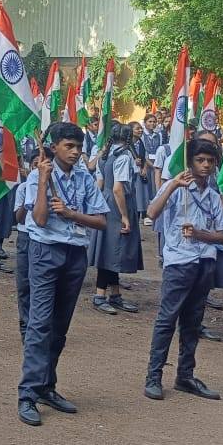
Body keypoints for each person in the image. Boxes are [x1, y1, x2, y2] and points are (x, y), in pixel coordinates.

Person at [17, 121, 108, 427]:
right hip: (45, 251)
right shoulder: (37, 176)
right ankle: (27, 394)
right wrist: (44, 180)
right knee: (40, 323)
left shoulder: (85, 177)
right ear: (53, 147)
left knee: (60, 326)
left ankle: (47, 386)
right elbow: (40, 219)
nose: (75, 152)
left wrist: (71, 214)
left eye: (79, 147)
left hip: (75, 254)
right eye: (69, 146)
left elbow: (101, 221)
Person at [143, 137, 223, 401]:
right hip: (179, 262)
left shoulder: (213, 196)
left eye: (210, 161)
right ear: (189, 162)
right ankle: (153, 376)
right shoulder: (175, 188)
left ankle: (185, 375)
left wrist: (201, 234)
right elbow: (151, 212)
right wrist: (172, 186)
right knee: (167, 320)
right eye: (199, 160)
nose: (205, 165)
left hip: (205, 262)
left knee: (193, 322)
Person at [89, 122, 143, 315]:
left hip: (105, 202)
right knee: (112, 252)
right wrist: (125, 216)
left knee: (111, 250)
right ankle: (99, 296)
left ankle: (115, 294)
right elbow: (118, 188)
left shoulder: (105, 154)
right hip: (118, 205)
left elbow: (100, 183)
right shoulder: (124, 156)